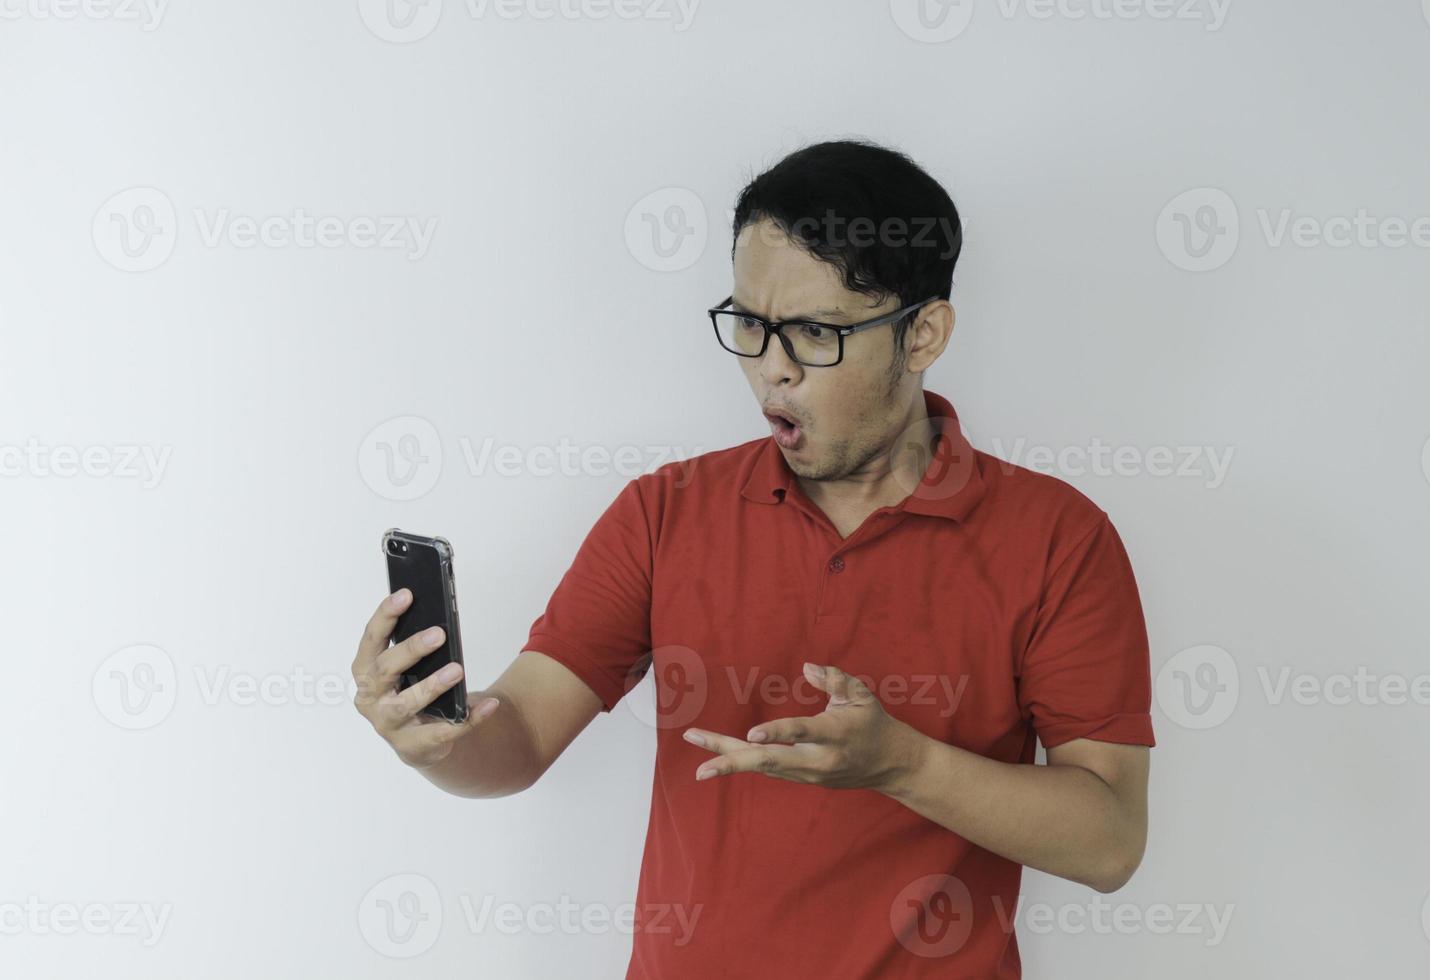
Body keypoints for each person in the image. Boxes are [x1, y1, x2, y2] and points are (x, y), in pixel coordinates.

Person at [352, 138, 1155, 979]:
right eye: (749, 324)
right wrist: (441, 742)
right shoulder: (664, 514)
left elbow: (1109, 843)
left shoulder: (1060, 539)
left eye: (814, 332)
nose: (771, 370)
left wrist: (906, 764)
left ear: (923, 334)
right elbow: (518, 737)